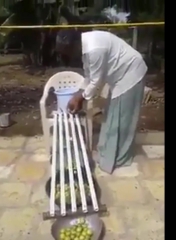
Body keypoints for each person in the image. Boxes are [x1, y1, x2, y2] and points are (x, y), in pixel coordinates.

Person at [55, 29, 148, 174]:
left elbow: (97, 81)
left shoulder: (94, 49)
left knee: (121, 119)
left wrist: (80, 97)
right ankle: (107, 153)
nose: (67, 55)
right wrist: (78, 93)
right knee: (112, 116)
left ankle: (119, 159)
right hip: (119, 77)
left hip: (130, 73)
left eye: (67, 51)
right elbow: (88, 76)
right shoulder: (85, 48)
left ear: (74, 44)